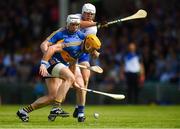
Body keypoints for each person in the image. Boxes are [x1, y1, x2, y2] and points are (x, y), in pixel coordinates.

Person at [16, 14, 101, 122]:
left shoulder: (82, 42)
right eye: (73, 24)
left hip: (61, 64)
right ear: (67, 24)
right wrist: (43, 63)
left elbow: (73, 63)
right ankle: (56, 108)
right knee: (68, 81)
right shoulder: (70, 41)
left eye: (77, 25)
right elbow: (50, 48)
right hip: (51, 62)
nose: (75, 27)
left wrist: (72, 81)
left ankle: (23, 111)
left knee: (54, 96)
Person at [72, 3, 107, 121]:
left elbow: (89, 44)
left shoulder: (93, 28)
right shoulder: (75, 17)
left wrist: (94, 52)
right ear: (83, 12)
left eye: (92, 14)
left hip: (82, 54)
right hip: (69, 52)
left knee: (86, 79)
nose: (90, 15)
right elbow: (79, 23)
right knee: (75, 83)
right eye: (87, 13)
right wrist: (97, 23)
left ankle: (80, 109)